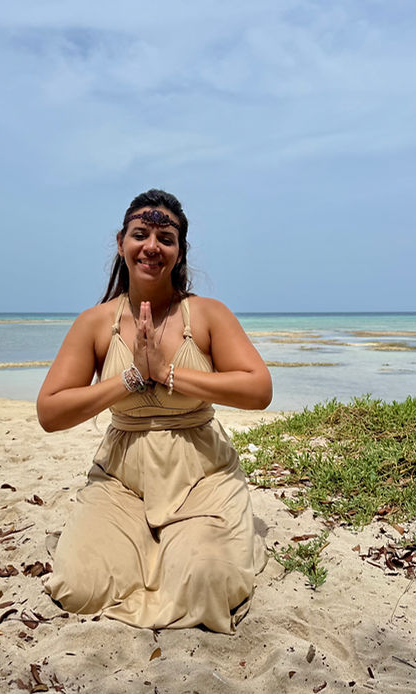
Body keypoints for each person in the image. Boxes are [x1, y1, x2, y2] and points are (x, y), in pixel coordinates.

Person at [37, 189, 272, 633]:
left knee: (207, 583)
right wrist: (130, 378)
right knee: (80, 587)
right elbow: (50, 412)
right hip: (122, 481)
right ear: (121, 242)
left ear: (179, 251)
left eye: (165, 238)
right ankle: (148, 549)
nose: (152, 246)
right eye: (140, 234)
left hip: (202, 477)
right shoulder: (95, 322)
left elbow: (259, 389)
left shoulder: (206, 314)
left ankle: (182, 548)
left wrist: (167, 373)